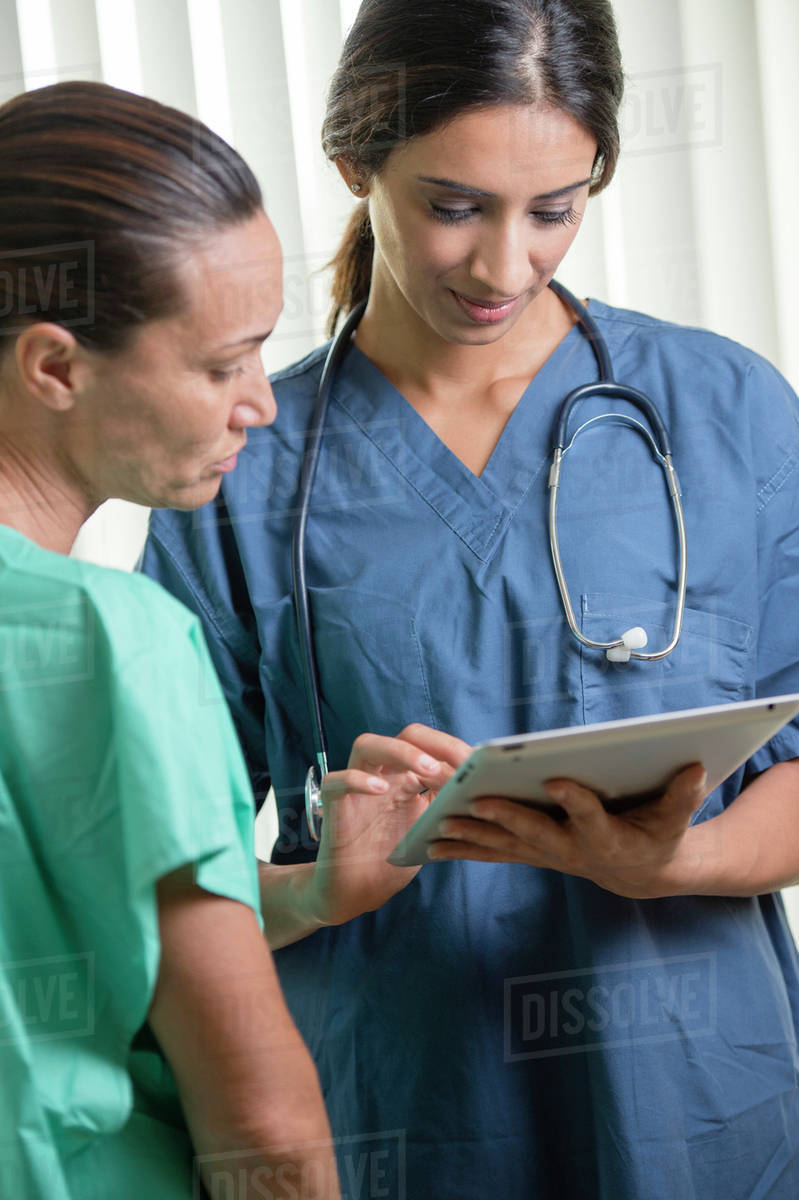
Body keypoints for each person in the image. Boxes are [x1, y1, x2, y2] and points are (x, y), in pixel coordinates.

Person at [141, 1, 799, 1196]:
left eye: (555, 209)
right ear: (355, 163)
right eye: (453, 207)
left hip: (695, 1110)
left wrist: (672, 862)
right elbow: (166, 886)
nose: (505, 266)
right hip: (408, 1113)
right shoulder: (242, 469)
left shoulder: (726, 411)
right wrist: (318, 889)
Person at [0, 79, 450, 1200]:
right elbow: (263, 1130)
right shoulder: (118, 641)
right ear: (54, 367)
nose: (261, 403)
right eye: (220, 365)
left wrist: (305, 894)